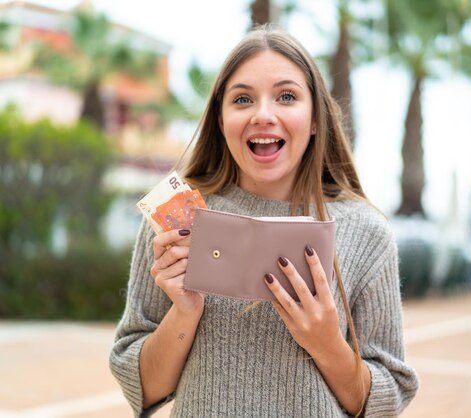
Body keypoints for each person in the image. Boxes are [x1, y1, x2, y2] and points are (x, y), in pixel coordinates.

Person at [110, 25, 418, 418]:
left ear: (314, 119)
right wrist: (184, 311)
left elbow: (388, 396)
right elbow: (144, 388)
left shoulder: (366, 233)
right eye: (242, 99)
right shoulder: (178, 219)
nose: (263, 115)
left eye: (286, 96)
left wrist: (326, 342)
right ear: (221, 120)